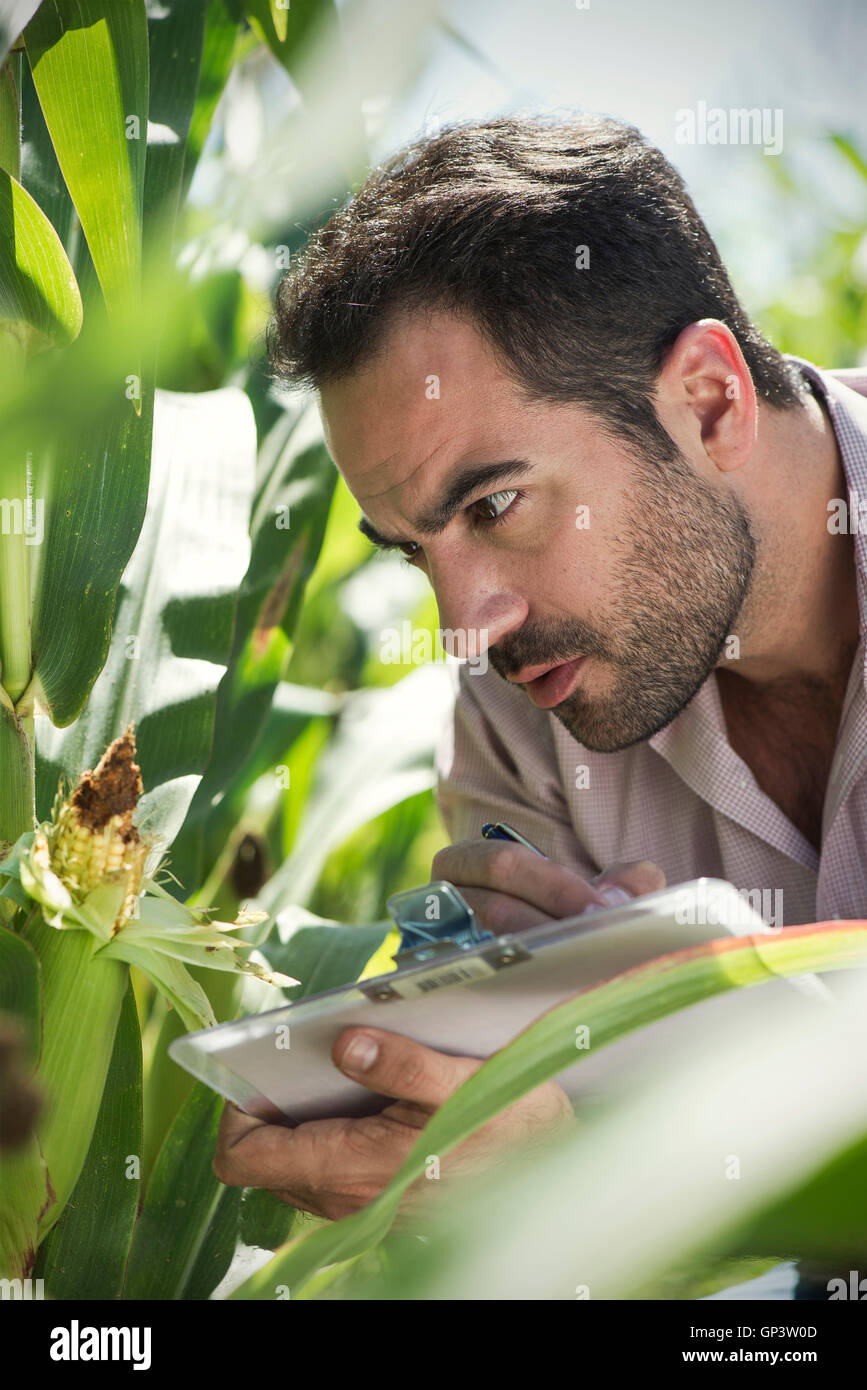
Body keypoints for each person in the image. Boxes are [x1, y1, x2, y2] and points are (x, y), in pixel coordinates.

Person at [213, 116, 866, 1295]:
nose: (468, 623)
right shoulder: (524, 724)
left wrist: (761, 1041)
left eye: (497, 505)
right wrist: (551, 1161)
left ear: (712, 402)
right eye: (415, 553)